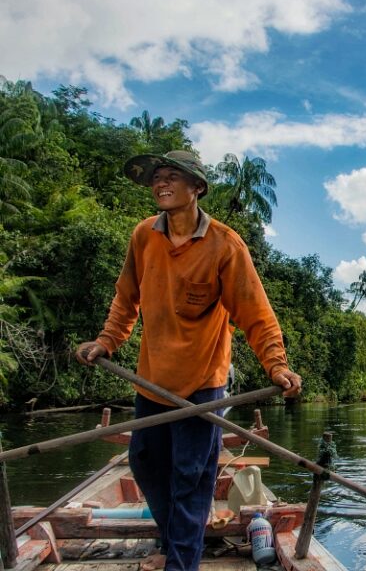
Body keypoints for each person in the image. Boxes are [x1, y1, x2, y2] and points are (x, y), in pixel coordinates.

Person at [76, 150, 301, 571]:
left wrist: (277, 366)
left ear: (197, 188)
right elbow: (126, 298)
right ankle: (175, 536)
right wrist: (107, 341)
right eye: (157, 177)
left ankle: (182, 563)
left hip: (202, 386)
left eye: (172, 177)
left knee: (191, 479)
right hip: (151, 381)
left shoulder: (224, 244)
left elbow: (256, 313)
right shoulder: (144, 236)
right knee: (145, 466)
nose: (161, 183)